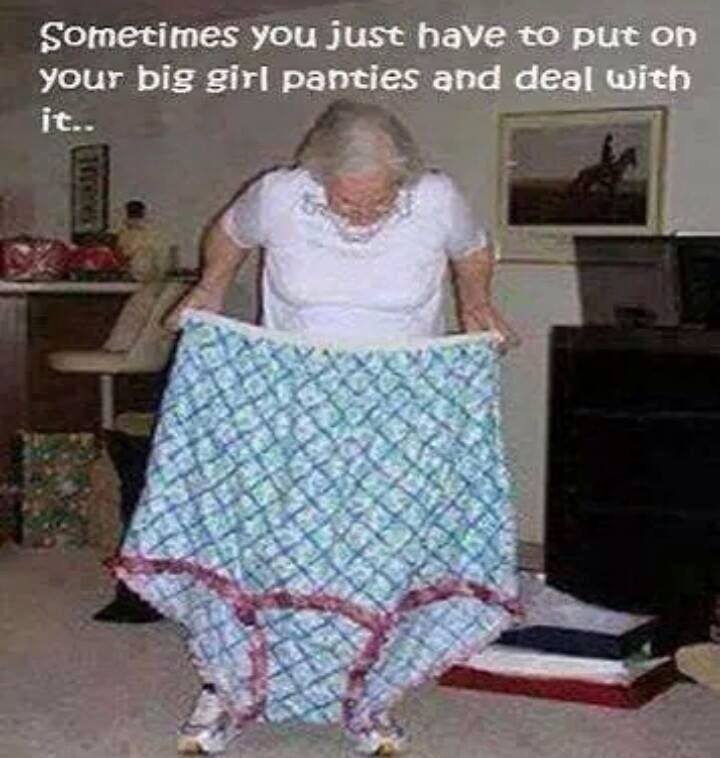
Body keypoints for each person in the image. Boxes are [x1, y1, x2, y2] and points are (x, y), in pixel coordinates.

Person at [163, 99, 519, 755]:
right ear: (317, 177)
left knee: (378, 554)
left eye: (378, 203)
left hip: (399, 406)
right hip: (291, 403)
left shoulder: (435, 199)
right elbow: (231, 233)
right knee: (267, 546)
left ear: (404, 179)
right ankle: (225, 685)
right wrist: (211, 286)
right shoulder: (280, 194)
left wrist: (476, 302)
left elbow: (473, 250)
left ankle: (370, 697)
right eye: (345, 202)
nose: (360, 217)